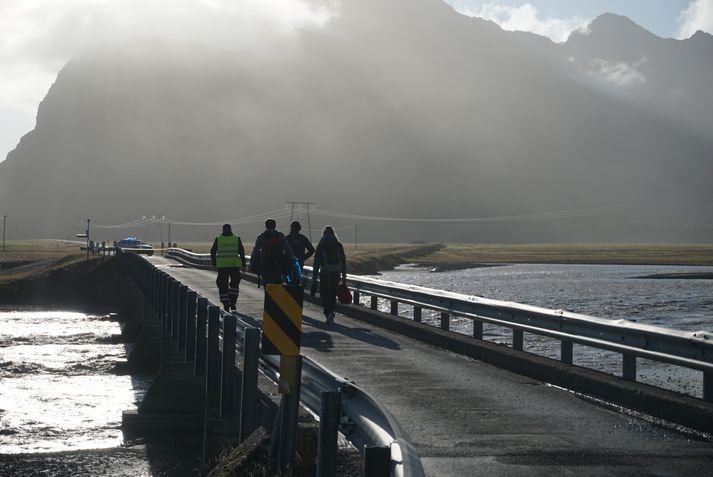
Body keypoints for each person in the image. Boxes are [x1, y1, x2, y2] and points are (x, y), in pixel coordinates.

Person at [310, 225, 347, 324]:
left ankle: (328, 313)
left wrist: (314, 278)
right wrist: (344, 276)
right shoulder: (338, 244)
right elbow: (343, 261)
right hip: (336, 272)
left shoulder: (321, 244)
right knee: (333, 293)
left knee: (324, 293)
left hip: (325, 272)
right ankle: (331, 311)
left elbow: (316, 262)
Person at [210, 224, 246, 311]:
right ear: (231, 229)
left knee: (222, 285)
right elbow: (241, 252)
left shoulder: (218, 239)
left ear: (222, 230)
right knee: (234, 284)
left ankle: (226, 304)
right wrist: (244, 264)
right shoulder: (236, 238)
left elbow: (213, 251)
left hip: (222, 266)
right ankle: (232, 302)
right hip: (234, 265)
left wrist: (214, 263)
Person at [252, 218, 293, 285]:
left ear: (266, 226)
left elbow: (255, 252)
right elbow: (288, 249)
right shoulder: (280, 236)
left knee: (267, 285)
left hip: (266, 264)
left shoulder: (261, 237)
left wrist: (253, 265)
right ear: (275, 225)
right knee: (278, 284)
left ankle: (268, 294)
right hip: (278, 265)